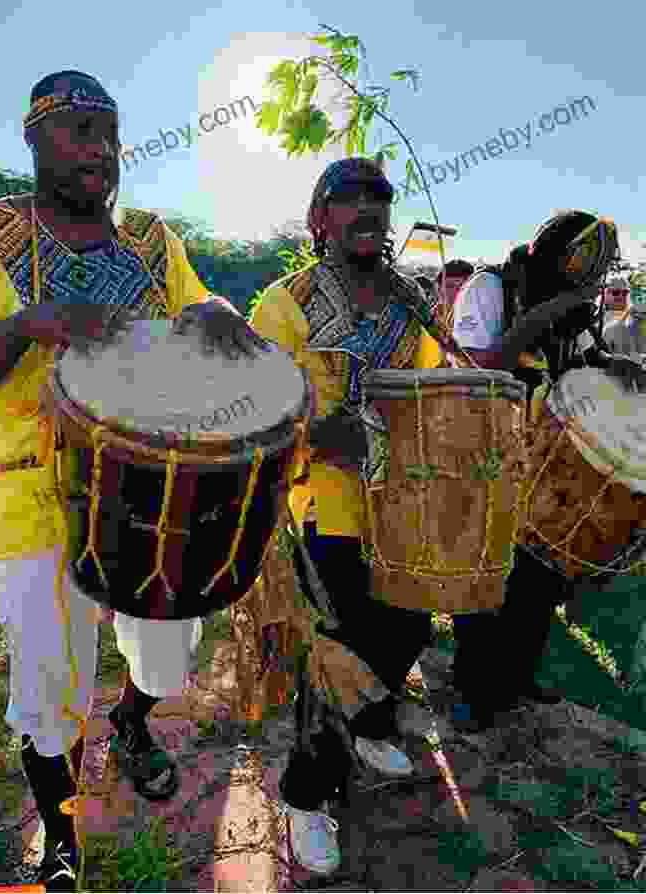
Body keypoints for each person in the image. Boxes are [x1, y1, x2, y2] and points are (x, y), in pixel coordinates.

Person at [0, 71, 265, 891]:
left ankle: (134, 723)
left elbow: (200, 310)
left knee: (169, 647)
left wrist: (217, 317)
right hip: (30, 486)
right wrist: (32, 324)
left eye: (107, 130)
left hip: (152, 485)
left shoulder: (148, 238)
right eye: (74, 129)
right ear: (32, 141)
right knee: (48, 681)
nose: (97, 147)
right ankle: (63, 835)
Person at [249, 157, 444, 876]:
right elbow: (258, 409)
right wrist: (320, 432)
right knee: (335, 652)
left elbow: (431, 393)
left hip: (400, 506)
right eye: (348, 199)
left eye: (379, 199)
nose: (367, 211)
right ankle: (304, 798)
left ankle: (365, 726)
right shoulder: (286, 302)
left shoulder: (410, 305)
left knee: (412, 624)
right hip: (316, 507)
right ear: (320, 218)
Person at [450, 210, 646, 734]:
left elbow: (584, 360)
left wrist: (613, 363)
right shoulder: (491, 287)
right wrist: (549, 311)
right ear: (557, 256)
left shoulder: (576, 309)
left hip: (544, 458)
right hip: (487, 446)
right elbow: (477, 367)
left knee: (539, 579)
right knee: (490, 576)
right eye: (585, 270)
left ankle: (515, 679)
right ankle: (471, 691)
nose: (590, 283)